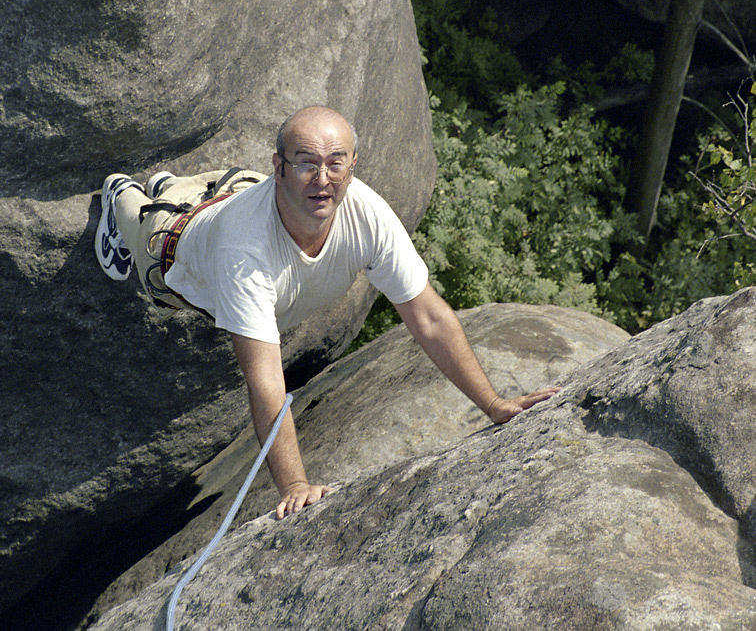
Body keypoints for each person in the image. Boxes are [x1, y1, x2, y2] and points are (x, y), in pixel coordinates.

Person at [95, 106, 559, 519]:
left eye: (336, 163)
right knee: (154, 252)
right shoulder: (244, 252)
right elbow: (265, 380)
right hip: (180, 252)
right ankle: (126, 194)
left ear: (353, 166)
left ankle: (175, 186)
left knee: (232, 192)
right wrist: (294, 484)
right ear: (279, 166)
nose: (323, 179)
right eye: (307, 163)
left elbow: (429, 318)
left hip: (247, 192)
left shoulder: (365, 213)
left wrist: (494, 404)